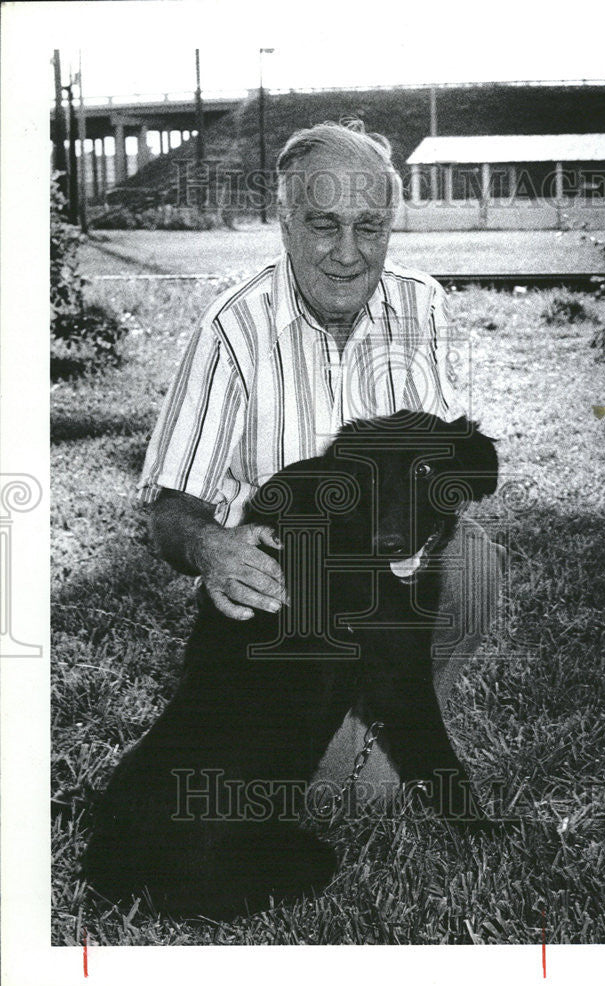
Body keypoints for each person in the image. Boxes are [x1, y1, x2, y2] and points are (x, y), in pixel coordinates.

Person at [138, 120, 503, 794]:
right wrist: (213, 548)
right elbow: (170, 513)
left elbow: (444, 468)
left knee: (474, 558)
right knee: (334, 786)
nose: (347, 253)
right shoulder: (231, 329)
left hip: (383, 590)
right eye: (323, 224)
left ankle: (392, 717)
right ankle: (344, 742)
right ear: (285, 222)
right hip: (292, 614)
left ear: (392, 226)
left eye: (369, 227)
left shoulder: (422, 305)